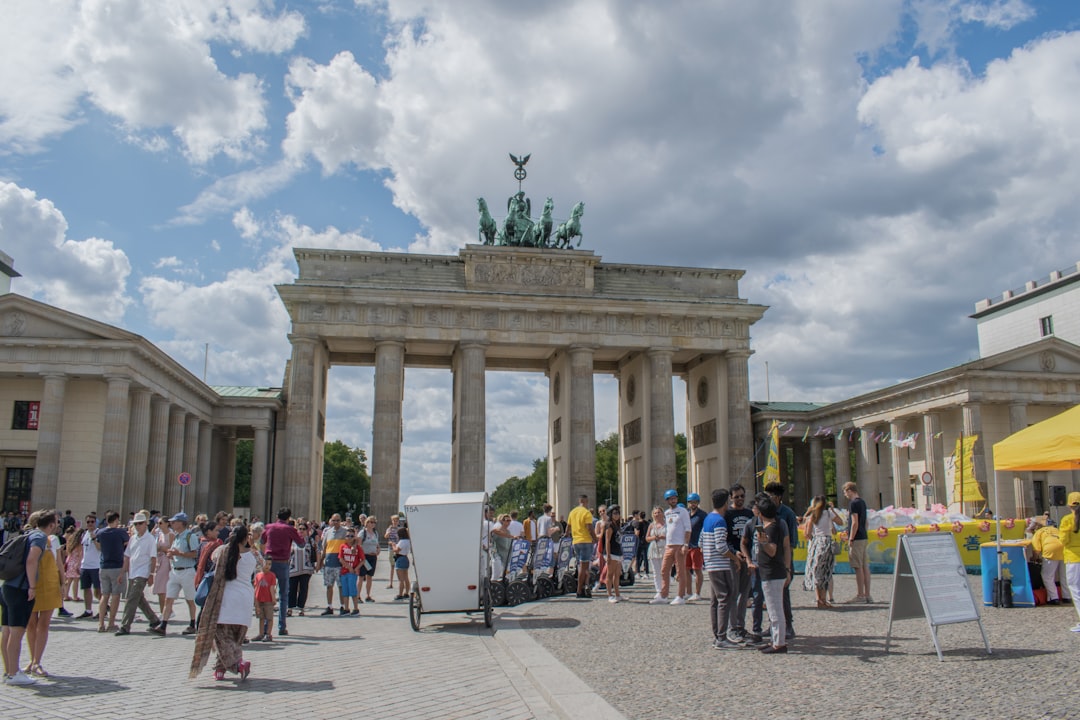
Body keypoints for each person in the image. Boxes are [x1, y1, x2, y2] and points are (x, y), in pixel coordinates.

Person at [189, 524, 255, 682]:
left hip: (225, 598)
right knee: (236, 638)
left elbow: (212, 558)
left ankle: (237, 665)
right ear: (246, 538)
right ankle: (220, 669)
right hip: (245, 598)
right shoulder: (252, 556)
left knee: (222, 638)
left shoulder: (222, 551)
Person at [23, 510, 62, 678]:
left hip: (50, 584)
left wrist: (63, 582)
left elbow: (59, 563)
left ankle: (37, 661)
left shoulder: (54, 540)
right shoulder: (33, 537)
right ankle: (32, 659)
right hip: (34, 584)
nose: (58, 524)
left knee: (43, 624)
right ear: (51, 524)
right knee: (31, 624)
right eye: (57, 521)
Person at [703, 489, 742, 649]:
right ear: (726, 502)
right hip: (720, 565)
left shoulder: (708, 518)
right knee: (725, 598)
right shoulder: (719, 521)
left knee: (715, 601)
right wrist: (735, 558)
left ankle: (717, 635)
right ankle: (721, 637)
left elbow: (701, 542)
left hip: (711, 564)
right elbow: (721, 546)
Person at [754, 496, 791, 654]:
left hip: (773, 573)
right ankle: (775, 639)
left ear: (762, 513)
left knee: (775, 609)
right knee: (772, 608)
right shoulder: (772, 526)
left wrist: (762, 541)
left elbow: (772, 550)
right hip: (770, 572)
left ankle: (779, 643)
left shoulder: (772, 528)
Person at [155, 512, 200, 636]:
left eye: (174, 522)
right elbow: (175, 552)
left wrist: (179, 553)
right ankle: (163, 624)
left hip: (187, 570)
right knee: (169, 598)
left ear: (181, 523)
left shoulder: (190, 536)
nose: (172, 524)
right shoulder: (176, 536)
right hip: (175, 571)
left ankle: (192, 623)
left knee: (190, 599)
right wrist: (171, 554)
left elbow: (195, 554)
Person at [115, 512, 160, 636]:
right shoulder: (133, 538)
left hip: (142, 572)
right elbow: (127, 556)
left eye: (140, 523)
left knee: (131, 599)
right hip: (132, 572)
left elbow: (153, 558)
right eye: (136, 524)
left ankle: (125, 626)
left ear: (146, 524)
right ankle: (154, 620)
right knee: (139, 599)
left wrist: (151, 574)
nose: (138, 526)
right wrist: (122, 573)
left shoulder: (150, 539)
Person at [263, 508, 304, 637]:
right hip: (282, 562)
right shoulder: (289, 529)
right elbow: (301, 544)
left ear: (277, 515)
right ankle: (282, 626)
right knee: (283, 594)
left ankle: (265, 626)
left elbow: (262, 541)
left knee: (266, 594)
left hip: (268, 562)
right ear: (289, 517)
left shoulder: (269, 527)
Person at [764, 481, 798, 638]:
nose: (767, 499)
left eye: (769, 496)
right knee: (770, 596)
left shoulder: (787, 514)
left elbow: (791, 542)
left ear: (777, 498)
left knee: (783, 594)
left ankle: (788, 625)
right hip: (768, 559)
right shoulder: (765, 512)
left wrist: (787, 565)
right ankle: (773, 625)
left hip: (782, 559)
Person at [724, 484, 754, 640]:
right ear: (731, 498)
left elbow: (754, 537)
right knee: (733, 593)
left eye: (742, 496)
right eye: (737, 497)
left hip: (747, 558)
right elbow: (725, 538)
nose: (740, 499)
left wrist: (750, 557)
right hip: (733, 558)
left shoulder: (750, 514)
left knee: (745, 594)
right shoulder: (727, 515)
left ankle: (741, 626)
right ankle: (732, 626)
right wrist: (735, 553)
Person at [652, 489, 691, 605]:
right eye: (671, 499)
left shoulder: (683, 511)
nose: (673, 500)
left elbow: (688, 528)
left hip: (679, 545)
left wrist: (685, 544)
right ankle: (664, 595)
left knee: (680, 571)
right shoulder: (667, 513)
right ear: (667, 500)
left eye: (674, 498)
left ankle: (680, 596)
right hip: (669, 545)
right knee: (664, 570)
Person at [95, 511, 129, 633]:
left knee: (104, 595)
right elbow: (127, 545)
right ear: (116, 520)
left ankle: (100, 623)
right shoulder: (121, 532)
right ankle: (111, 623)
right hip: (117, 566)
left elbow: (98, 546)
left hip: (104, 566)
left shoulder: (100, 532)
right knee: (115, 595)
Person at [842, 481, 871, 604]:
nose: (845, 495)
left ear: (849, 490)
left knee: (858, 567)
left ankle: (860, 595)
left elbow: (855, 522)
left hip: (857, 538)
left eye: (845, 492)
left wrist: (851, 538)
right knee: (865, 566)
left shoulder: (853, 504)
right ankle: (867, 594)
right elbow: (866, 522)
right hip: (863, 536)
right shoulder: (862, 502)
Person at [316, 514, 348, 615]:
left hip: (340, 563)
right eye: (333, 520)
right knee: (329, 586)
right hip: (329, 562)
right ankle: (329, 606)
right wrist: (320, 561)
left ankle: (343, 606)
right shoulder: (328, 532)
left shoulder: (345, 532)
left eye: (337, 520)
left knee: (341, 586)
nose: (335, 522)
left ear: (340, 521)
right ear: (331, 521)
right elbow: (324, 548)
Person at [567, 495, 596, 599]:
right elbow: (589, 527)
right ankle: (579, 590)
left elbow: (568, 527)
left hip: (576, 542)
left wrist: (566, 536)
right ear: (586, 501)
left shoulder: (572, 512)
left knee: (581, 566)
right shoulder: (586, 512)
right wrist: (595, 538)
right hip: (585, 541)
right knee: (584, 568)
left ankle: (584, 587)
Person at [1059, 492, 1080, 632]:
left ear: (1069, 505)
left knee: (1075, 589)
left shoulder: (1067, 519)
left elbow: (1064, 540)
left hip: (1073, 557)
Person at [1031, 518, 1064, 604]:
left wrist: (1034, 558)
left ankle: (1054, 598)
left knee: (1047, 576)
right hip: (1064, 550)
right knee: (1063, 576)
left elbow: (1036, 549)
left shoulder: (1039, 532)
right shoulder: (1056, 529)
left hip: (1050, 551)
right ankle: (1067, 597)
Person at [77, 514, 101, 619]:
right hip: (85, 565)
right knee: (86, 588)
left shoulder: (99, 533)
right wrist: (79, 563)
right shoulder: (84, 534)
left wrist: (94, 539)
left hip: (96, 565)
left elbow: (100, 548)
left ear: (95, 522)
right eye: (88, 522)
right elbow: (82, 550)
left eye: (92, 522)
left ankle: (103, 609)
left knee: (98, 590)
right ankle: (88, 610)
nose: (90, 524)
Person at [685, 493, 707, 602]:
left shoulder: (702, 515)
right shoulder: (686, 514)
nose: (692, 504)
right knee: (686, 569)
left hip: (697, 545)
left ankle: (697, 593)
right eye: (690, 502)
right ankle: (688, 592)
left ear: (698, 503)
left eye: (694, 502)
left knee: (697, 569)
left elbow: (705, 530)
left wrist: (703, 544)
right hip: (687, 545)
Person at [338, 528, 364, 614]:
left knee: (353, 590)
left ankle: (356, 608)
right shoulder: (342, 546)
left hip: (353, 572)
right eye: (348, 536)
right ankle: (346, 608)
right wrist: (348, 567)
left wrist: (356, 568)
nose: (349, 538)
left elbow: (362, 560)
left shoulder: (358, 548)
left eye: (352, 536)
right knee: (345, 591)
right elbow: (341, 558)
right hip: (344, 571)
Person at [151, 517, 173, 618]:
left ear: (167, 524)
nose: (159, 525)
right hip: (158, 560)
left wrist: (163, 548)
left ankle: (165, 612)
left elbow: (172, 549)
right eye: (158, 523)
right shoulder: (159, 534)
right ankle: (165, 611)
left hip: (166, 561)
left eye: (160, 523)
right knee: (160, 588)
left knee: (161, 588)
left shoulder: (170, 534)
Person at [603, 506, 624, 603]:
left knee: (617, 574)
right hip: (611, 552)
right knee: (610, 574)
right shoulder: (609, 525)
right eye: (615, 513)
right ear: (611, 514)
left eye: (618, 513)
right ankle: (609, 595)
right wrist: (608, 555)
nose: (617, 515)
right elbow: (607, 541)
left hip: (618, 551)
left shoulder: (617, 525)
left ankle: (617, 594)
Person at [252, 559, 276, 642]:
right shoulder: (258, 575)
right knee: (261, 618)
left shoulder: (272, 575)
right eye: (266, 564)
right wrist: (255, 601)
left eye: (270, 564)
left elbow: (272, 588)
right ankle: (261, 633)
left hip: (268, 600)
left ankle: (268, 634)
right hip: (259, 599)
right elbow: (256, 587)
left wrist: (273, 598)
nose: (268, 566)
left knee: (269, 618)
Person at [645, 507, 667, 595]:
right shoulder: (651, 525)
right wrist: (653, 537)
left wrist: (663, 537)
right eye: (655, 513)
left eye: (658, 512)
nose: (657, 514)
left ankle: (665, 589)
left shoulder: (667, 524)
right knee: (656, 571)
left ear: (662, 513)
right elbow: (647, 538)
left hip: (664, 548)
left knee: (664, 571)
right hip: (654, 549)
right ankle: (658, 590)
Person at [357, 516, 380, 603]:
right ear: (367, 523)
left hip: (373, 557)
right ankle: (358, 596)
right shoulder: (363, 533)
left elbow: (377, 544)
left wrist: (378, 550)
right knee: (361, 576)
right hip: (364, 557)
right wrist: (361, 556)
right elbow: (359, 545)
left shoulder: (375, 533)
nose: (372, 524)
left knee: (370, 576)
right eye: (371, 522)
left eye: (374, 522)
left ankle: (368, 595)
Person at [62, 525, 82, 602]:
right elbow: (80, 554)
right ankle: (75, 596)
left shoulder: (70, 541)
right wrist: (79, 563)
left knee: (69, 579)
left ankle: (66, 595)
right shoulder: (79, 544)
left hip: (70, 560)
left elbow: (67, 552)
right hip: (76, 561)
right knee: (76, 580)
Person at [391, 528, 411, 599]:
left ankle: (400, 594)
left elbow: (396, 550)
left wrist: (393, 545)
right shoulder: (408, 541)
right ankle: (406, 593)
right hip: (405, 557)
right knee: (406, 577)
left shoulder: (402, 541)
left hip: (400, 558)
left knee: (401, 579)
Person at [384, 515, 401, 590]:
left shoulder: (400, 529)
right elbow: (386, 536)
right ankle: (391, 583)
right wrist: (389, 532)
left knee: (399, 567)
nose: (395, 522)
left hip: (398, 549)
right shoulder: (389, 528)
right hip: (391, 549)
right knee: (392, 566)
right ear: (392, 521)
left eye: (396, 520)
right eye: (394, 520)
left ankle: (401, 583)